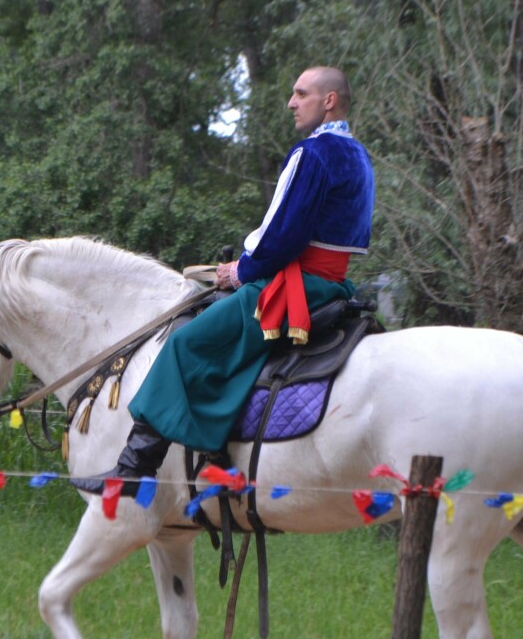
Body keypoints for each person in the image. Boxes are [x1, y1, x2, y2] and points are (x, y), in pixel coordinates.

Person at [75, 66, 375, 496]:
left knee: (185, 343)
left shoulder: (313, 154)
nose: (291, 102)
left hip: (297, 287)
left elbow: (282, 236)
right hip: (333, 284)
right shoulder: (360, 156)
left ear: (329, 101)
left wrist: (241, 270)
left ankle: (133, 468)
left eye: (300, 93)